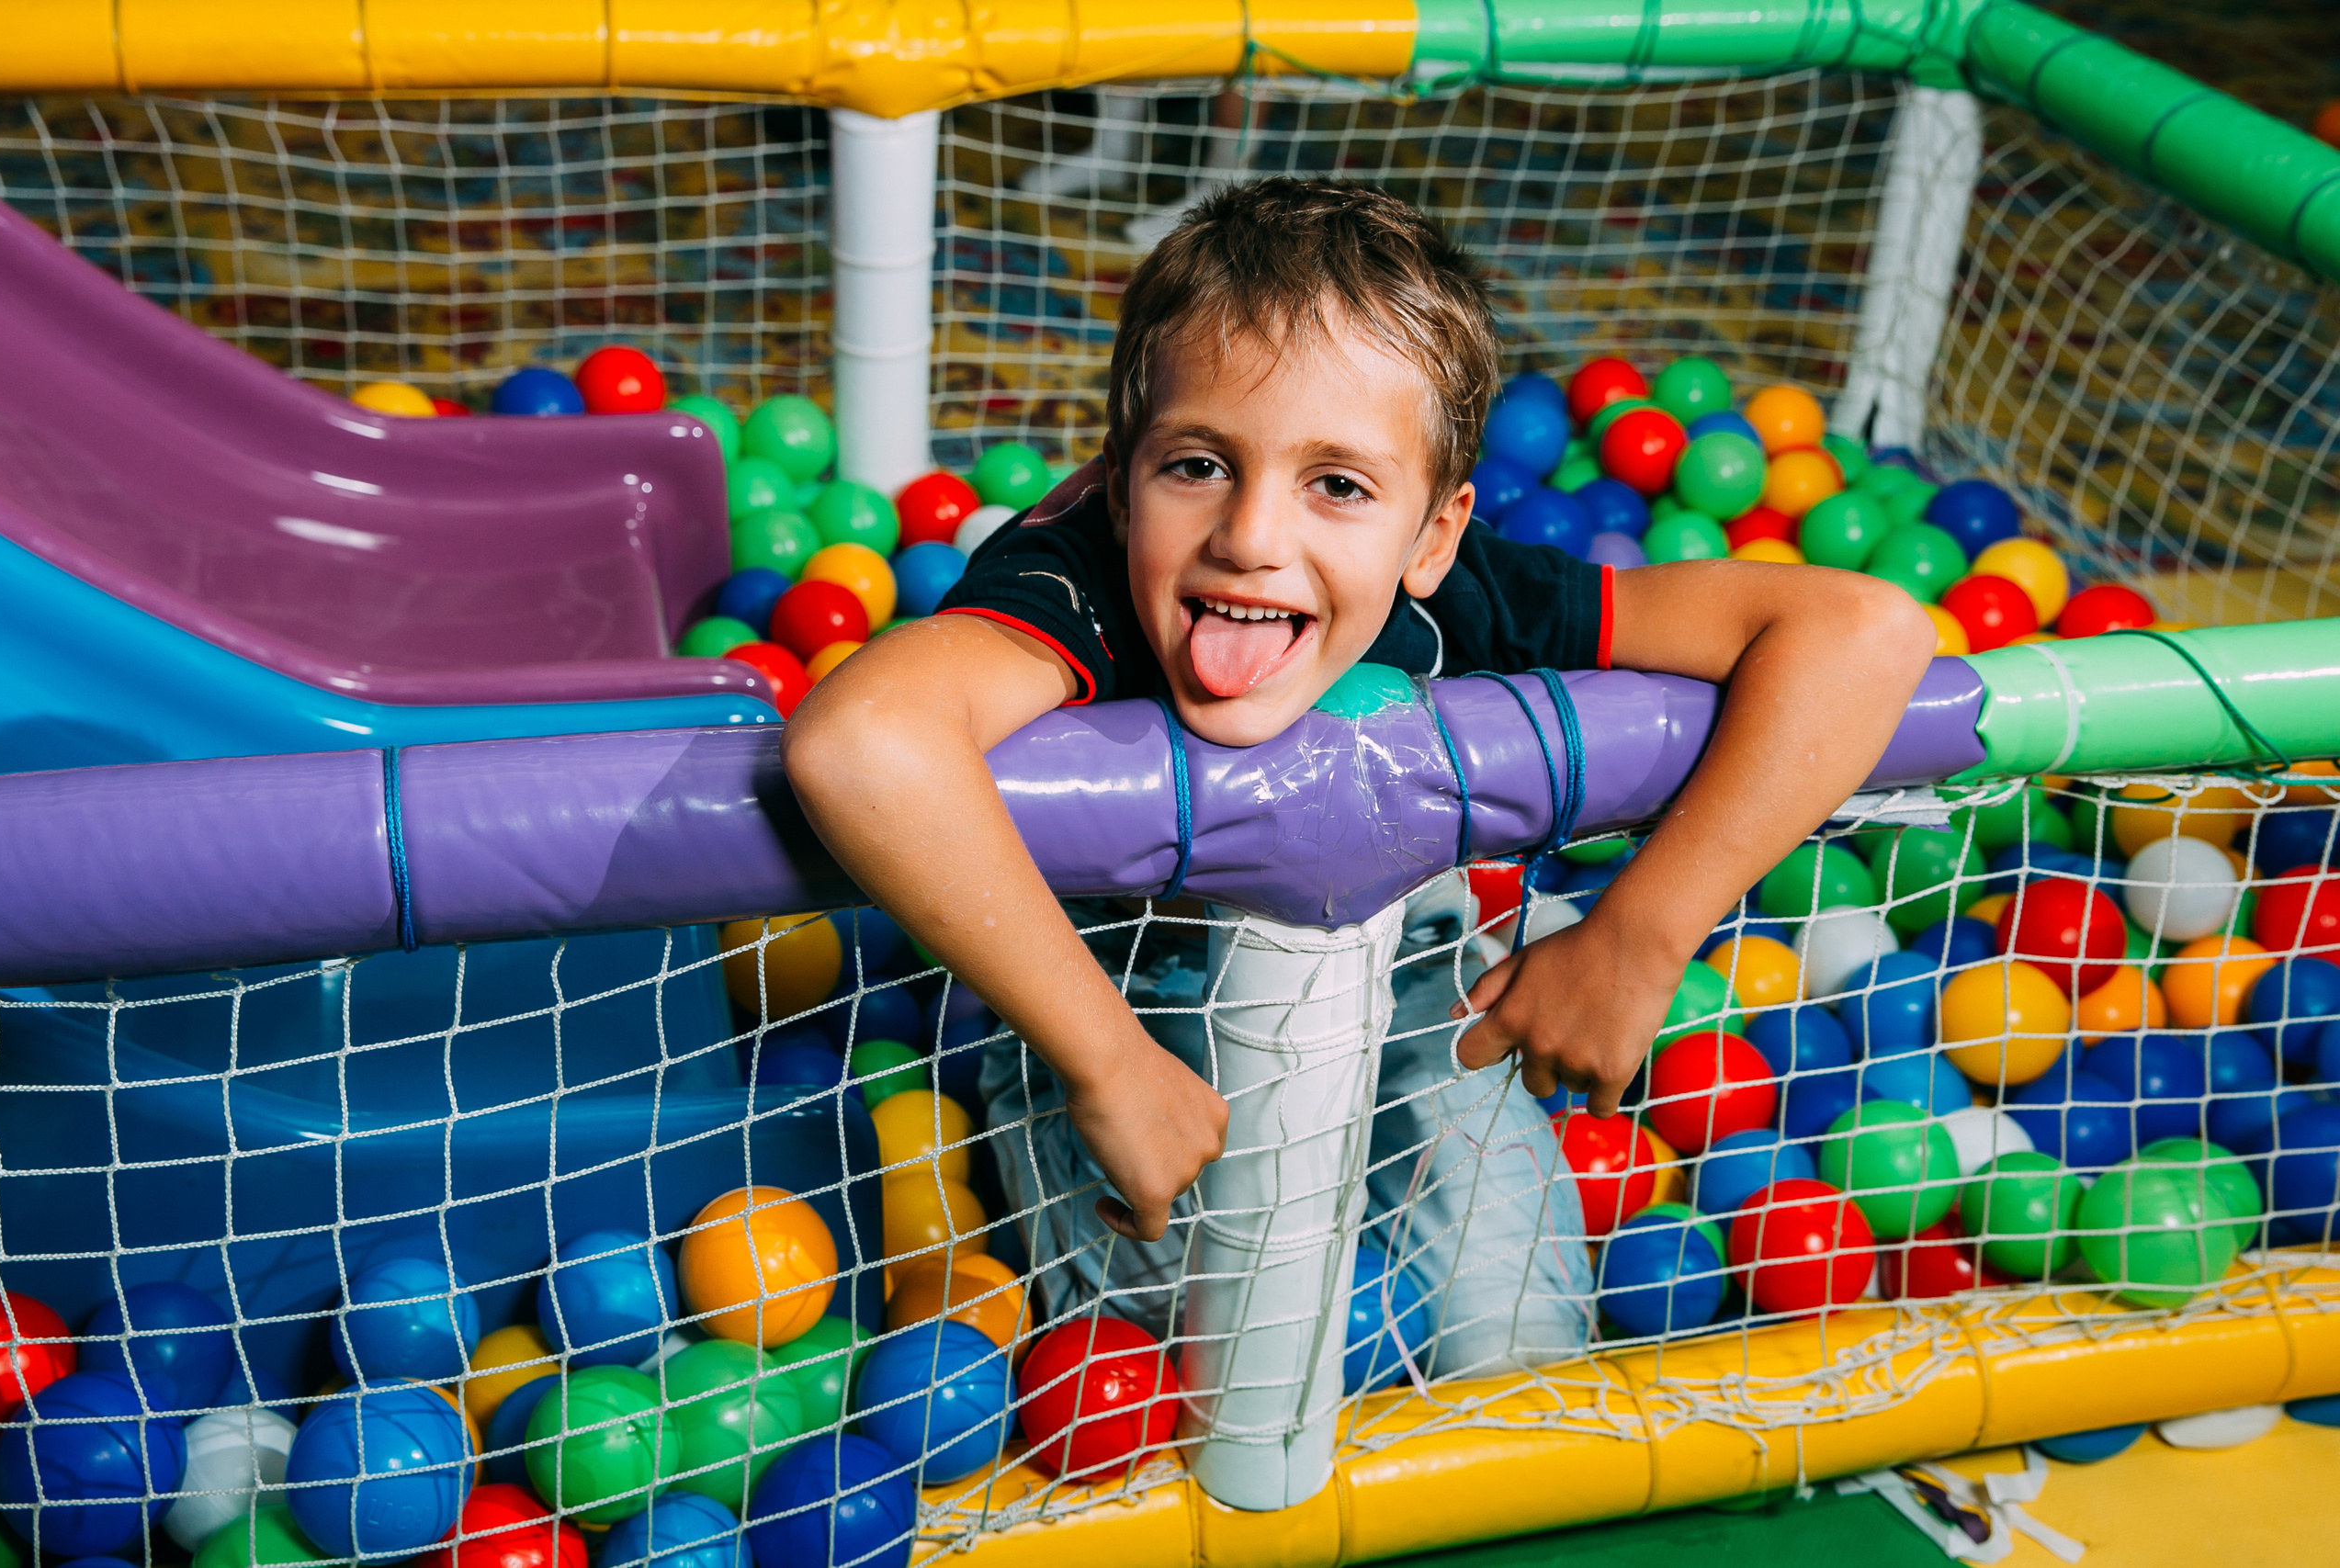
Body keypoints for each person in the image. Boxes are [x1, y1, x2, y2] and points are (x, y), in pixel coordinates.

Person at [782, 177, 1935, 1356]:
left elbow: (1865, 634)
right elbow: (861, 740)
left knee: (1517, 1350)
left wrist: (1638, 937)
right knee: (1209, 1380)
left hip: (1415, 994)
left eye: (1336, 484)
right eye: (1197, 465)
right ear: (1120, 480)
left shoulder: (1454, 590)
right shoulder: (1069, 579)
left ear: (1432, 535)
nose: (1252, 538)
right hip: (1121, 1006)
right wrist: (1107, 1064)